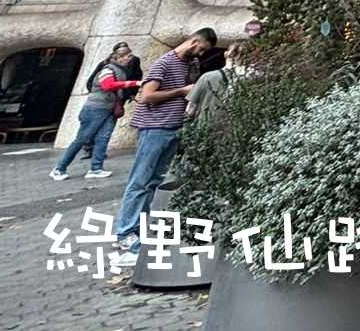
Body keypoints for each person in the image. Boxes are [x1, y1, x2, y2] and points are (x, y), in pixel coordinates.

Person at [109, 29, 215, 265]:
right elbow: (147, 96)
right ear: (194, 41)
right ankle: (126, 232)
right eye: (201, 48)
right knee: (140, 181)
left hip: (174, 126)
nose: (201, 53)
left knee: (154, 181)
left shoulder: (191, 64)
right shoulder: (164, 63)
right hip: (154, 127)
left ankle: (140, 228)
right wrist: (180, 91)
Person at [50, 41, 141, 181]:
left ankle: (96, 168)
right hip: (96, 108)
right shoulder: (107, 69)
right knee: (82, 138)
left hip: (109, 107)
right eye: (128, 56)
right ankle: (59, 168)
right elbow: (107, 85)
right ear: (119, 58)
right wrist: (133, 83)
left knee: (103, 138)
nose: (130, 58)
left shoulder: (121, 70)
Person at [186, 45, 237, 122]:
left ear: (226, 54)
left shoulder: (207, 77)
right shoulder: (251, 79)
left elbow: (190, 109)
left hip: (206, 125)